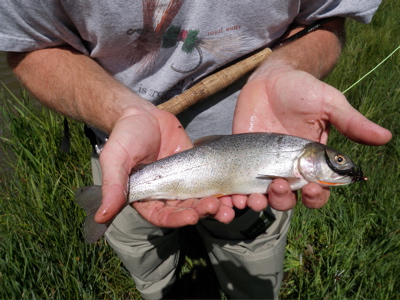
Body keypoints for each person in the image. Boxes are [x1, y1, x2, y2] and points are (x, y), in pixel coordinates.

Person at [0, 1, 392, 299]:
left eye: (338, 162)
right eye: (336, 161)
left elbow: (328, 15)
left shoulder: (295, 164)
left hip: (242, 150)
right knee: (147, 267)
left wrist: (287, 66)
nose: (338, 164)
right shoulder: (294, 166)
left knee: (253, 276)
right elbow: (29, 46)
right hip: (125, 150)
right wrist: (120, 112)